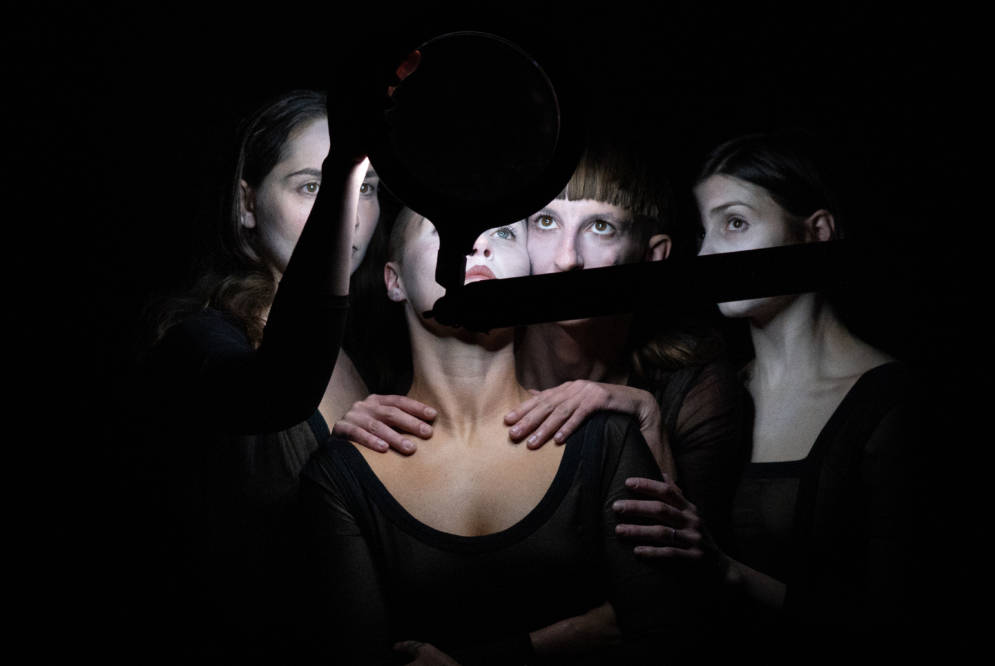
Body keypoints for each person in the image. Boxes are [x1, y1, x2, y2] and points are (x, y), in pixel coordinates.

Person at [299, 209, 679, 664]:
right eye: (445, 230)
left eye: (503, 233)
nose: (478, 245)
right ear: (394, 281)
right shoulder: (339, 475)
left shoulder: (607, 439)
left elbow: (663, 634)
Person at [335, 135, 747, 553]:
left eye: (600, 227)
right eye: (546, 222)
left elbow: (682, 563)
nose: (567, 258)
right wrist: (361, 410)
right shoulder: (469, 345)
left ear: (653, 256)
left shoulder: (694, 391)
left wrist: (646, 417)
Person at [618, 132, 922, 643]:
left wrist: (726, 571)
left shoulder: (891, 403)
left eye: (735, 223)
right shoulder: (708, 394)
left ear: (817, 232)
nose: (708, 252)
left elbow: (901, 623)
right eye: (703, 232)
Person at [136, 89, 381, 657]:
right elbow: (275, 393)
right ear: (247, 203)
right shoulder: (198, 339)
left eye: (366, 188)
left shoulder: (374, 354)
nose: (348, 212)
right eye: (314, 186)